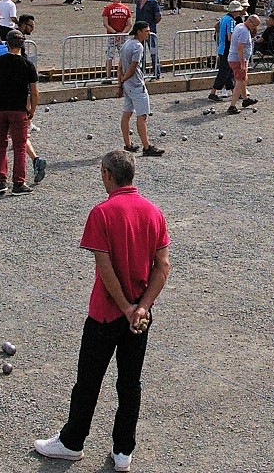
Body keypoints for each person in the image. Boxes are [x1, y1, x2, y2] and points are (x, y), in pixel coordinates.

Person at [34, 149, 170, 471]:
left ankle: (72, 443)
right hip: (139, 316)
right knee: (130, 383)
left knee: (88, 381)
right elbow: (162, 266)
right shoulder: (154, 212)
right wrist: (141, 308)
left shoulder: (102, 213)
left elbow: (105, 268)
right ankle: (123, 451)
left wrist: (124, 307)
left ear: (108, 175)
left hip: (106, 313)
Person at [0, 30, 39, 196]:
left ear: (7, 43)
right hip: (18, 109)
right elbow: (34, 92)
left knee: (0, 145)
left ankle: (1, 181)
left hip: (0, 108)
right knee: (19, 147)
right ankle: (18, 183)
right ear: (22, 44)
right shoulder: (28, 64)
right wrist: (32, 110)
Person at [118, 22, 164, 157]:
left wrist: (120, 83)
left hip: (127, 86)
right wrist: (123, 79)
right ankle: (147, 146)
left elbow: (120, 65)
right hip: (136, 84)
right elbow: (133, 67)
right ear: (138, 32)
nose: (148, 33)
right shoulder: (138, 46)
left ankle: (128, 144)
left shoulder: (126, 43)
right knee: (142, 116)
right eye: (146, 31)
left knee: (126, 114)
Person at [208, 2, 242, 102]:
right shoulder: (231, 21)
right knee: (224, 72)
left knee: (228, 71)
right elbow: (230, 36)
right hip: (227, 49)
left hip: (221, 47)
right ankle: (213, 92)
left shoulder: (224, 18)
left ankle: (234, 91)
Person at [226, 13, 259, 114]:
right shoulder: (244, 31)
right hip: (238, 59)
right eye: (254, 25)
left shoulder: (239, 26)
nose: (255, 28)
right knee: (239, 82)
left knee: (243, 79)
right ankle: (232, 106)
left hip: (234, 58)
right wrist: (242, 63)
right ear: (249, 21)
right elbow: (240, 48)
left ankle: (245, 100)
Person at [102, 0, 134, 84]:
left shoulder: (108, 9)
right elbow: (129, 24)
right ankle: (124, 75)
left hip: (112, 35)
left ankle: (108, 76)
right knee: (123, 56)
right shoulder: (126, 9)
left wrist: (115, 33)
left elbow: (105, 24)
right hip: (123, 36)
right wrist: (121, 33)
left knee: (109, 57)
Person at [133, 0, 163, 78]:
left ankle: (156, 72)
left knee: (153, 51)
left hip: (150, 31)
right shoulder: (139, 2)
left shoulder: (153, 2)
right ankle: (142, 72)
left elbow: (158, 16)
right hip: (139, 31)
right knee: (140, 52)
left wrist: (151, 25)